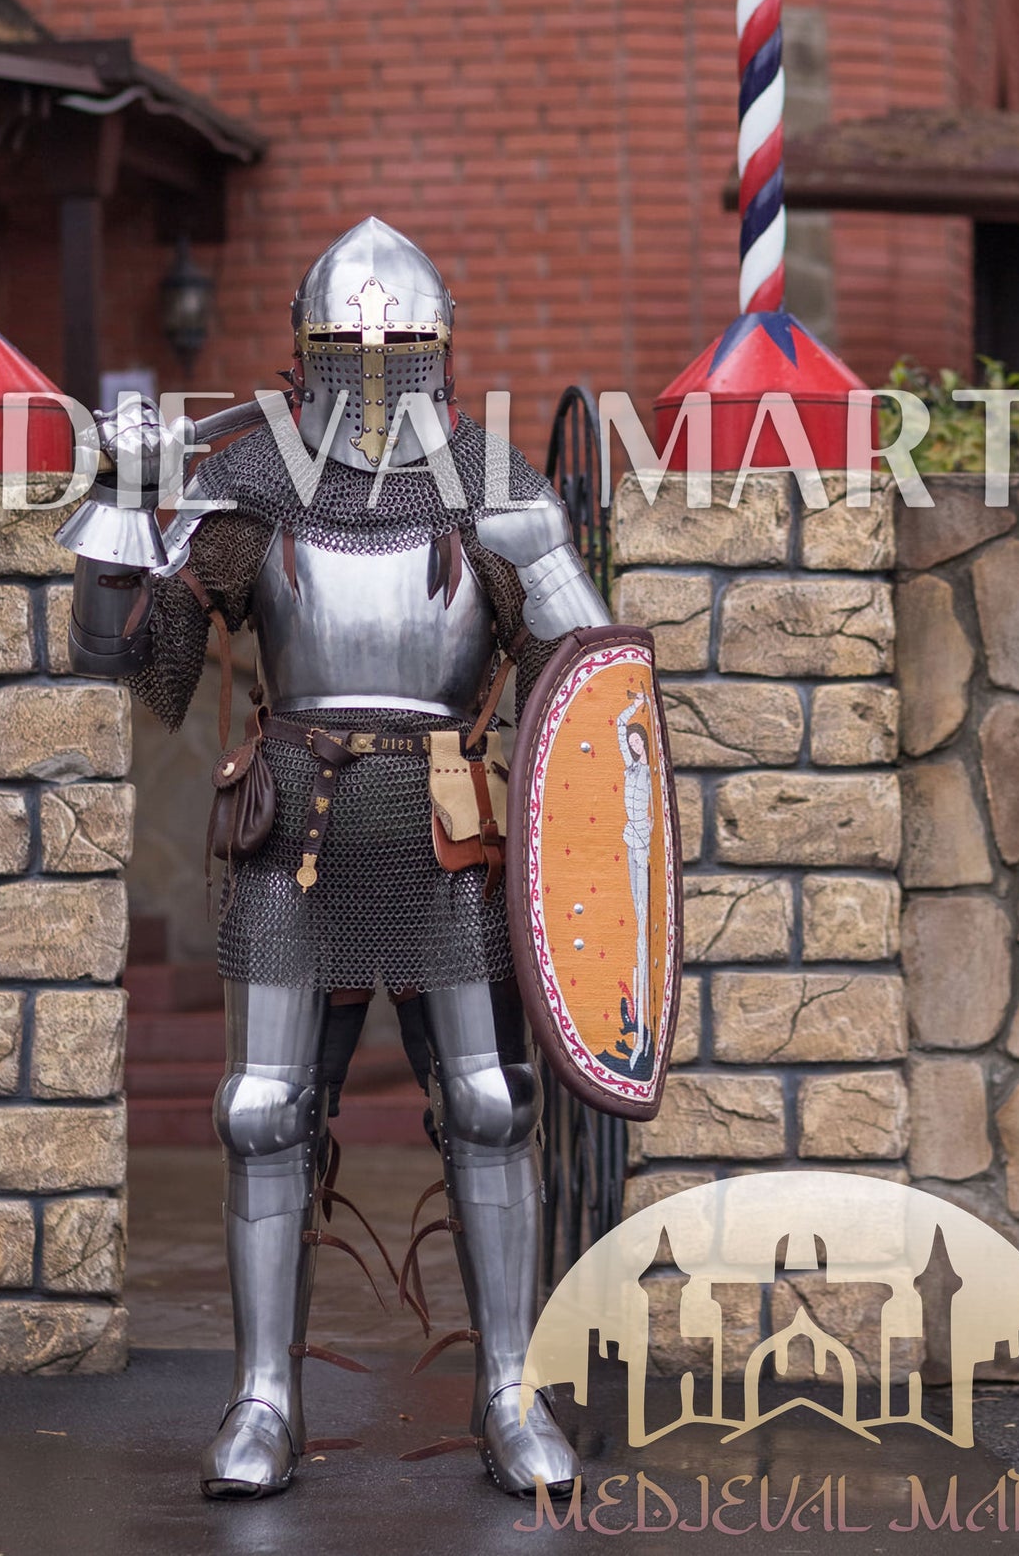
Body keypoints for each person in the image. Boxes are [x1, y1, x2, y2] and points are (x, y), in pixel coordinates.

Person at [62, 217, 610, 1501]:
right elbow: (128, 665)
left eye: (396, 347)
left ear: (437, 351)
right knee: (262, 1112)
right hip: (293, 827)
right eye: (347, 349)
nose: (371, 372)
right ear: (304, 352)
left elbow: (588, 688)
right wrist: (123, 509)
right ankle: (262, 1399)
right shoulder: (253, 484)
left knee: (490, 1104)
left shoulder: (492, 484)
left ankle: (508, 1392)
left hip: (443, 828)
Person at [614, 696, 655, 1083]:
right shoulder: (629, 767)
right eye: (632, 741)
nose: (633, 744)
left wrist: (647, 840)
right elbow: (617, 726)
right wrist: (635, 705)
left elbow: (654, 813)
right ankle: (637, 1033)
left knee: (644, 926)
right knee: (635, 920)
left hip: (642, 843)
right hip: (630, 838)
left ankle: (644, 1033)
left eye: (638, 740)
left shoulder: (648, 773)